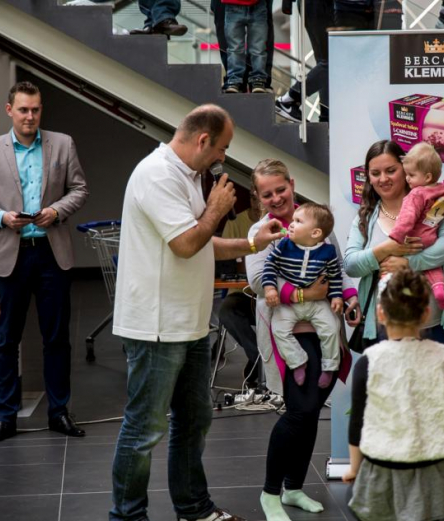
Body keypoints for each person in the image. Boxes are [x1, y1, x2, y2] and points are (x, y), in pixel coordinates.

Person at [110, 104, 283, 521]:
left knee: (193, 421)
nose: (221, 158)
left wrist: (252, 243)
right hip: (157, 326)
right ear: (203, 139)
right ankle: (127, 515)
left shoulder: (187, 175)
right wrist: (217, 209)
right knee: (145, 429)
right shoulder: (157, 175)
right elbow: (186, 243)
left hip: (186, 322)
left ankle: (193, 508)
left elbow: (200, 240)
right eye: (221, 148)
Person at [245, 158, 361, 521]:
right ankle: (270, 493)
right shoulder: (259, 232)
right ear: (258, 197)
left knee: (310, 415)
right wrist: (304, 295)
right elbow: (256, 282)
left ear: (291, 184)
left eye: (281, 189)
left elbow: (337, 269)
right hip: (288, 336)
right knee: (299, 413)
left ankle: (293, 487)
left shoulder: (315, 222)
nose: (277, 198)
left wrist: (351, 296)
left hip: (324, 333)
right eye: (268, 194)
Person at [0, 81, 89, 445]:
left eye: (35, 110)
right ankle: (5, 418)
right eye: (23, 110)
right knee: (5, 339)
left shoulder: (63, 143)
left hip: (51, 253)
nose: (30, 116)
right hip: (9, 255)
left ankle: (59, 412)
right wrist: (2, 217)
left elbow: (79, 189)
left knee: (56, 338)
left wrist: (56, 210)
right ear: (10, 110)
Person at [342, 268, 444, 521]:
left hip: (383, 472)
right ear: (426, 313)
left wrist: (354, 469)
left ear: (380, 313)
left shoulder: (369, 362)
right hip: (436, 471)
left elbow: (357, 424)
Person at [344, 139, 444, 348]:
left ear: (407, 171)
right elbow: (351, 265)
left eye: (391, 170)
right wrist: (387, 249)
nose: (383, 179)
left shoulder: (433, 203)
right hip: (385, 331)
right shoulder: (365, 217)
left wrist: (408, 263)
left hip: (435, 327)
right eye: (375, 173)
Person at [263, 203, 343, 388]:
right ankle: (298, 361)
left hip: (317, 303)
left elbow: (335, 275)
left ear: (315, 233)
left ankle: (330, 366)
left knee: (332, 328)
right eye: (293, 220)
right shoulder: (284, 245)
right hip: (289, 304)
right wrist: (270, 288)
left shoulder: (328, 252)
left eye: (298, 221)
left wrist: (337, 296)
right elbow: (269, 266)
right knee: (278, 329)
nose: (291, 224)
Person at [390, 143, 444, 310]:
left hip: (413, 239)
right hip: (431, 238)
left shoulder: (416, 194)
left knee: (394, 264)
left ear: (427, 177)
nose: (407, 178)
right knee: (432, 265)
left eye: (411, 175)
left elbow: (407, 220)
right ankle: (438, 288)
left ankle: (397, 298)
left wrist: (395, 238)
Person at [218, 191, 262, 387]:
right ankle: (258, 358)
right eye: (253, 197)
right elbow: (226, 261)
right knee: (227, 310)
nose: (257, 203)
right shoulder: (235, 223)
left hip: (276, 296)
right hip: (243, 294)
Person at [275, 0, 332, 123]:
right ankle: (289, 99)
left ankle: (326, 117)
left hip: (315, 6)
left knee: (325, 63)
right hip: (317, 5)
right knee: (331, 62)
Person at [212, 0, 274, 94]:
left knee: (254, 48)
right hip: (233, 5)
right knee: (239, 48)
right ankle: (236, 80)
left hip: (256, 5)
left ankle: (254, 79)